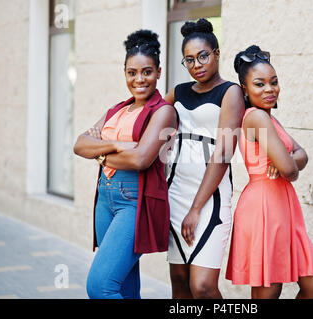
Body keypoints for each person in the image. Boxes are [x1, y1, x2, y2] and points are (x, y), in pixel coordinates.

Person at [73, 30, 177, 299]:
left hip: (134, 200)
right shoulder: (116, 109)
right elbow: (79, 145)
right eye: (132, 72)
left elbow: (141, 159)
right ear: (125, 73)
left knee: (100, 286)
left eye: (147, 72)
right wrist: (116, 146)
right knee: (124, 287)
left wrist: (98, 152)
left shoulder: (162, 111)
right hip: (105, 199)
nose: (139, 79)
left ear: (158, 72)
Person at [225, 45, 313, 299]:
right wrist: (289, 162)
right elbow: (291, 170)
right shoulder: (256, 118)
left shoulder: (270, 118)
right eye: (259, 84)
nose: (270, 89)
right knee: (269, 291)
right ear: (246, 91)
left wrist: (289, 159)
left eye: (274, 82)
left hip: (283, 205)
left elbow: (301, 155)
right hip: (264, 206)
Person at [164, 18, 245, 299]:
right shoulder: (179, 91)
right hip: (175, 194)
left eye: (203, 56)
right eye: (189, 60)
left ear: (217, 53)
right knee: (179, 279)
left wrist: (196, 209)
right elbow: (149, 116)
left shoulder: (231, 92)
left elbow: (223, 154)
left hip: (210, 198)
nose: (197, 64)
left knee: (203, 286)